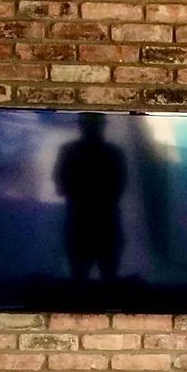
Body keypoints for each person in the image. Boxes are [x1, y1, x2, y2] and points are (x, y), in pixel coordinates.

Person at [53, 115, 127, 282]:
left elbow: (60, 185)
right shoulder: (113, 153)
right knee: (108, 278)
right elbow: (120, 186)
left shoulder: (69, 151)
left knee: (80, 277)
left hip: (81, 222)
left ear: (81, 126)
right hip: (106, 222)